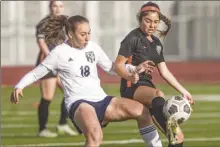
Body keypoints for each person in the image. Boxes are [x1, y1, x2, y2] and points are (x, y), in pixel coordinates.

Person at [10, 15, 163, 147]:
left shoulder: (93, 48)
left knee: (143, 112)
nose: (87, 38)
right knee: (95, 136)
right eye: (83, 34)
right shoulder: (59, 53)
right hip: (79, 103)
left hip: (102, 100)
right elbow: (36, 73)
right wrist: (19, 86)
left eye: (89, 33)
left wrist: (134, 68)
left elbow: (111, 68)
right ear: (70, 34)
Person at [113, 2, 195, 147]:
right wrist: (130, 75)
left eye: (156, 22)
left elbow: (164, 72)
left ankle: (174, 136)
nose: (152, 25)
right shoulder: (132, 38)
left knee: (178, 138)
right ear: (140, 20)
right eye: (148, 21)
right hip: (131, 86)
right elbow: (117, 65)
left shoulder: (157, 43)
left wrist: (183, 91)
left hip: (146, 86)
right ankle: (171, 129)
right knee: (158, 94)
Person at [35, 0, 77, 137]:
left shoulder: (66, 22)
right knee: (48, 96)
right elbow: (41, 43)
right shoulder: (44, 23)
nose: (58, 9)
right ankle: (42, 129)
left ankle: (62, 124)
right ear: (50, 7)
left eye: (60, 6)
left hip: (61, 63)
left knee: (70, 92)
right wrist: (52, 59)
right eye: (55, 6)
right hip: (48, 63)